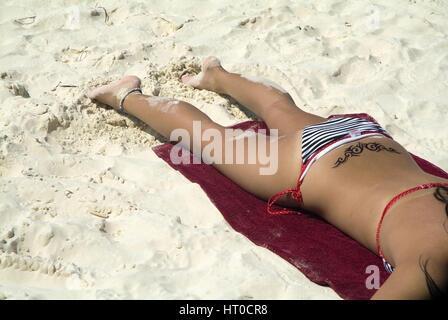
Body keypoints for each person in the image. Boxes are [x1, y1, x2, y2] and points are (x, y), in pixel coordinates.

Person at [87, 56, 448, 299]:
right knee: (207, 137)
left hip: (365, 138)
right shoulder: (429, 263)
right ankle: (125, 94)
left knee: (280, 109)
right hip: (310, 166)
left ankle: (218, 75)